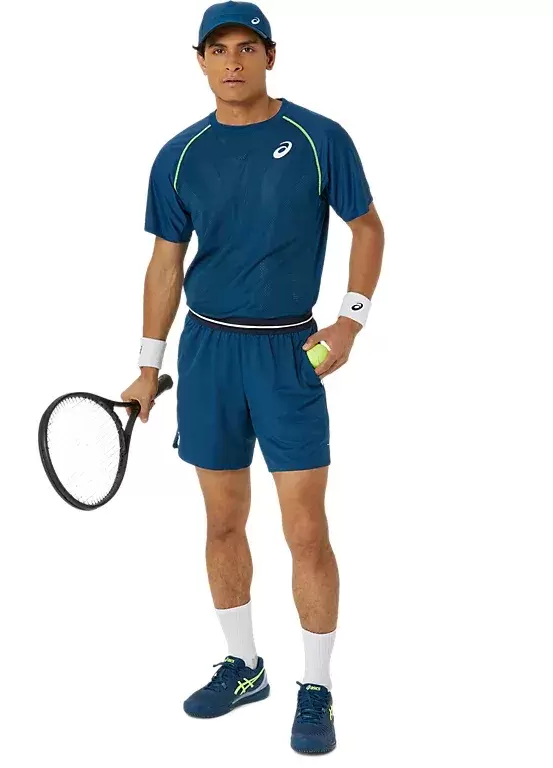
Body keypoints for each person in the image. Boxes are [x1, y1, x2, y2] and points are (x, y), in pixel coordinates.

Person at [121, 1, 384, 755]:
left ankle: (317, 686)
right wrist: (147, 366)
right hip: (207, 353)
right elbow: (165, 264)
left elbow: (367, 227)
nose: (232, 62)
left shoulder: (319, 138)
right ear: (200, 60)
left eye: (246, 48)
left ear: (271, 55)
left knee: (306, 530)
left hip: (288, 352)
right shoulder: (179, 155)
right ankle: (243, 667)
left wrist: (349, 321)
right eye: (218, 49)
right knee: (222, 523)